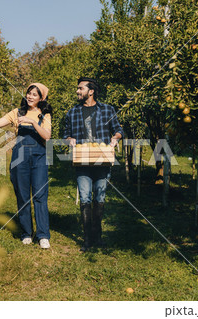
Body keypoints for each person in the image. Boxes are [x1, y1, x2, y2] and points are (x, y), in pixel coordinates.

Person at [0, 83, 52, 249]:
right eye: (29, 93)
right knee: (23, 195)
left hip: (39, 158)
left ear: (41, 98)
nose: (30, 97)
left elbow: (47, 136)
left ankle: (43, 235)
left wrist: (32, 122)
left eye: (34, 95)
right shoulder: (17, 112)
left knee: (40, 195)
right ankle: (26, 233)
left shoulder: (44, 114)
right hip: (20, 158)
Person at [63, 77, 123, 252]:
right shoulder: (72, 112)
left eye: (80, 88)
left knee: (100, 198)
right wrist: (69, 139)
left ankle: (98, 236)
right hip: (82, 161)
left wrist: (115, 138)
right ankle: (88, 239)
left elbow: (118, 129)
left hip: (102, 160)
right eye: (77, 88)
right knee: (85, 198)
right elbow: (66, 133)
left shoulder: (107, 109)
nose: (77, 91)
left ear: (91, 91)